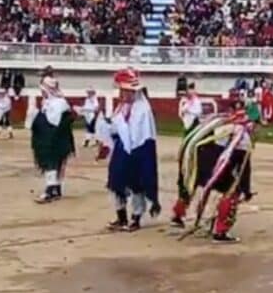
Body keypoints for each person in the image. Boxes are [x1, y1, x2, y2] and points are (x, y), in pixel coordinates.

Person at [173, 108, 254, 243]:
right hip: (214, 169)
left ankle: (177, 215)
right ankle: (221, 231)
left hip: (196, 163)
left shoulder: (215, 124)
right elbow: (244, 169)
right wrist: (246, 190)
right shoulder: (243, 137)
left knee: (190, 183)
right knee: (232, 190)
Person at [102, 68, 161, 232]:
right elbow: (116, 127)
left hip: (138, 150)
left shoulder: (143, 109)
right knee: (116, 183)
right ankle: (121, 217)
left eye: (127, 91)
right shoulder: (121, 107)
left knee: (137, 185)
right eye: (122, 90)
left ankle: (136, 217)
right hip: (122, 149)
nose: (124, 94)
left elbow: (143, 133)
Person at [25, 76, 76, 203]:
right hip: (53, 138)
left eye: (43, 90)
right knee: (55, 164)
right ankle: (56, 189)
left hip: (55, 139)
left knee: (52, 163)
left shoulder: (59, 103)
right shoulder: (49, 102)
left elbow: (55, 122)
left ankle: (50, 189)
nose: (42, 93)